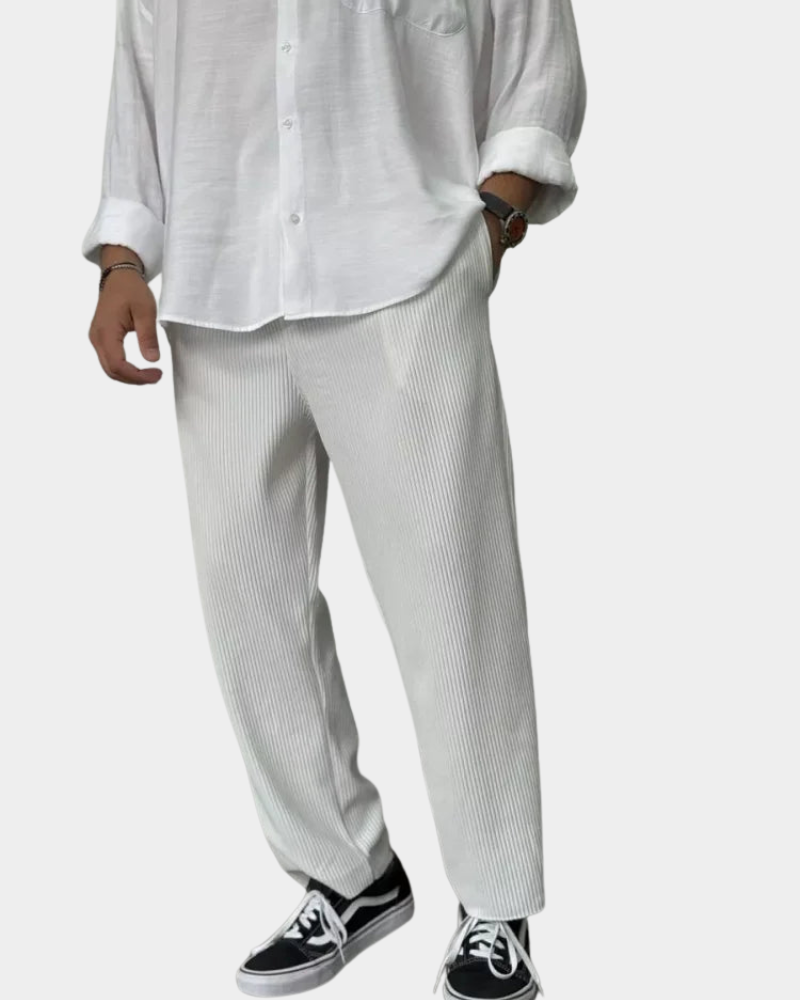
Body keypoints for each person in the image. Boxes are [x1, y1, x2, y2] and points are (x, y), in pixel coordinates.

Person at [82, 1, 586, 997]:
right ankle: (349, 873)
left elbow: (537, 50)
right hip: (222, 280)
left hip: (405, 268)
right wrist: (122, 260)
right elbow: (139, 72)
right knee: (247, 605)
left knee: (453, 598)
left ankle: (495, 903)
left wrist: (497, 215)